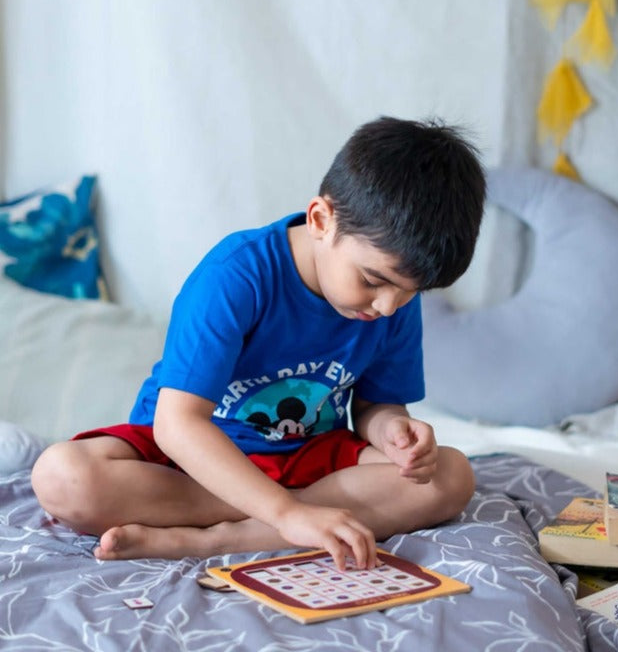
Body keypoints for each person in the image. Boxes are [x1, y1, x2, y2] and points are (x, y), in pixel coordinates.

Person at [31, 116, 486, 570]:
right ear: (321, 220)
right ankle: (285, 520)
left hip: (307, 456)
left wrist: (392, 433)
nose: (388, 306)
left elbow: (374, 407)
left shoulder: (392, 302)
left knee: (449, 476)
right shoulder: (236, 275)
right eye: (372, 280)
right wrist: (287, 511)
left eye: (410, 292)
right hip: (190, 461)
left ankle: (213, 540)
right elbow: (178, 425)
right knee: (62, 476)